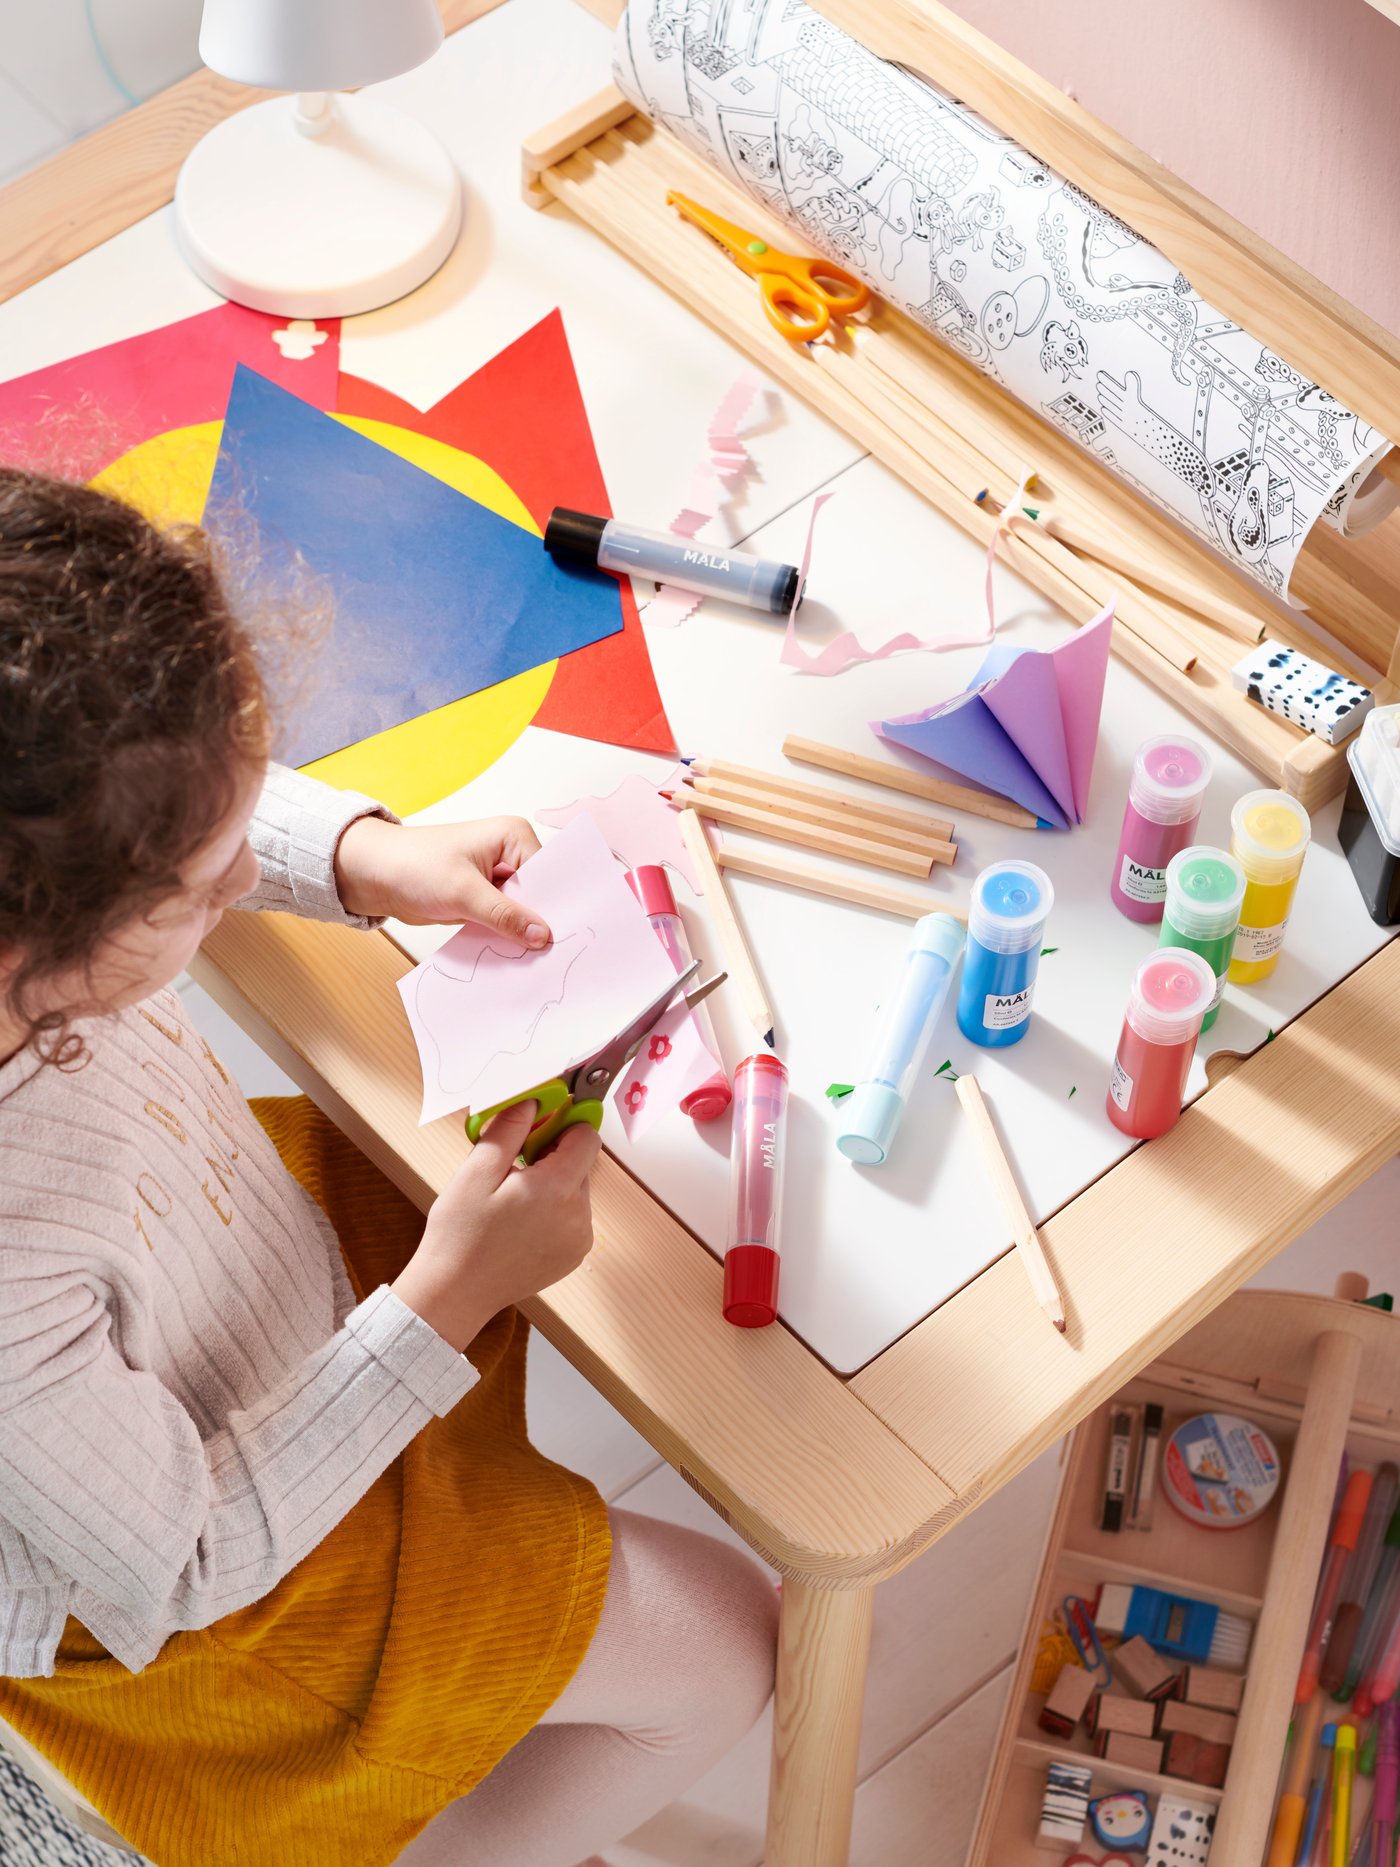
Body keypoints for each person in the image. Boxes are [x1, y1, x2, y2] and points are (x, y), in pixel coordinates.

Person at [0, 467, 777, 1867]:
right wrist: (447, 1298)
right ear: (40, 944)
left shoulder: (46, 859)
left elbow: (151, 772)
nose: (243, 878)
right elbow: (185, 1564)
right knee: (726, 1645)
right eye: (209, 878)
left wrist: (360, 855)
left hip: (239, 1282)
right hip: (236, 1581)